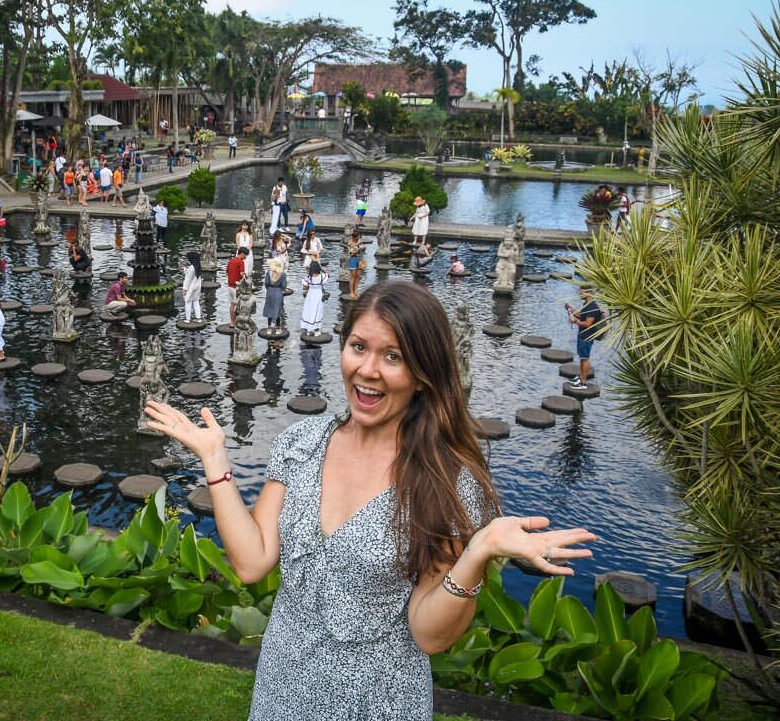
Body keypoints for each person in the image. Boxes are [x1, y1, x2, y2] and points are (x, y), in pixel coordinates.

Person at [143, 281, 594, 720]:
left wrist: (475, 555)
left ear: (423, 375)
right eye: (359, 347)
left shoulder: (446, 482)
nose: (368, 369)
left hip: (377, 699)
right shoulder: (301, 443)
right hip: (282, 686)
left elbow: (429, 635)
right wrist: (215, 460)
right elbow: (251, 562)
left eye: (393, 356)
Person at [566, 285, 603, 389]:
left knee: (585, 358)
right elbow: (581, 315)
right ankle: (581, 377)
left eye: (581, 292)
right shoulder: (587, 304)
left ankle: (583, 383)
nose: (580, 294)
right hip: (583, 334)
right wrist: (572, 310)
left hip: (587, 336)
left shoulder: (592, 307)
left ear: (587, 293)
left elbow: (587, 323)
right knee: (582, 357)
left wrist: (575, 321)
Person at [262, 258, 287, 346]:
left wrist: (269, 289)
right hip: (278, 292)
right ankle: (277, 328)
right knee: (278, 310)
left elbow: (266, 283)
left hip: (270, 291)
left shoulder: (268, 273)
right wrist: (280, 290)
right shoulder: (283, 274)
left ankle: (269, 328)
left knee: (269, 309)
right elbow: (284, 285)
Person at [300, 261, 328, 334]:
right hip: (318, 294)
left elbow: (304, 287)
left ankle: (308, 328)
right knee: (318, 311)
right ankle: (316, 329)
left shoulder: (308, 277)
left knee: (309, 310)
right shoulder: (322, 276)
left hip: (310, 295)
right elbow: (326, 278)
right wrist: (325, 271)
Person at [227, 247, 248, 326]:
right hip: (237, 286)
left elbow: (227, 272)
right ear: (242, 254)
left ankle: (232, 321)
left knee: (232, 304)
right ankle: (236, 321)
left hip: (230, 286)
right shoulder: (241, 262)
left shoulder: (230, 261)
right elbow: (241, 274)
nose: (246, 257)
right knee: (238, 305)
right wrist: (246, 275)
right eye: (245, 255)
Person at [182, 251, 202, 323]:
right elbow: (191, 274)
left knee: (187, 301)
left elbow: (188, 279)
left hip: (191, 286)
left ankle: (187, 319)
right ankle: (198, 318)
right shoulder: (198, 266)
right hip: (197, 286)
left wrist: (185, 289)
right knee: (196, 301)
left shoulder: (191, 267)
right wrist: (184, 269)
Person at [346, 228, 365, 299]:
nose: (359, 238)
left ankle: (356, 291)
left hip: (360, 259)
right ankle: (351, 292)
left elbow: (363, 251)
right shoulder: (350, 243)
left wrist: (363, 248)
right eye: (357, 237)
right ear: (354, 237)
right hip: (353, 259)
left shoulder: (360, 241)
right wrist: (358, 249)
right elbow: (351, 253)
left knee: (358, 276)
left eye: (359, 237)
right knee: (352, 276)